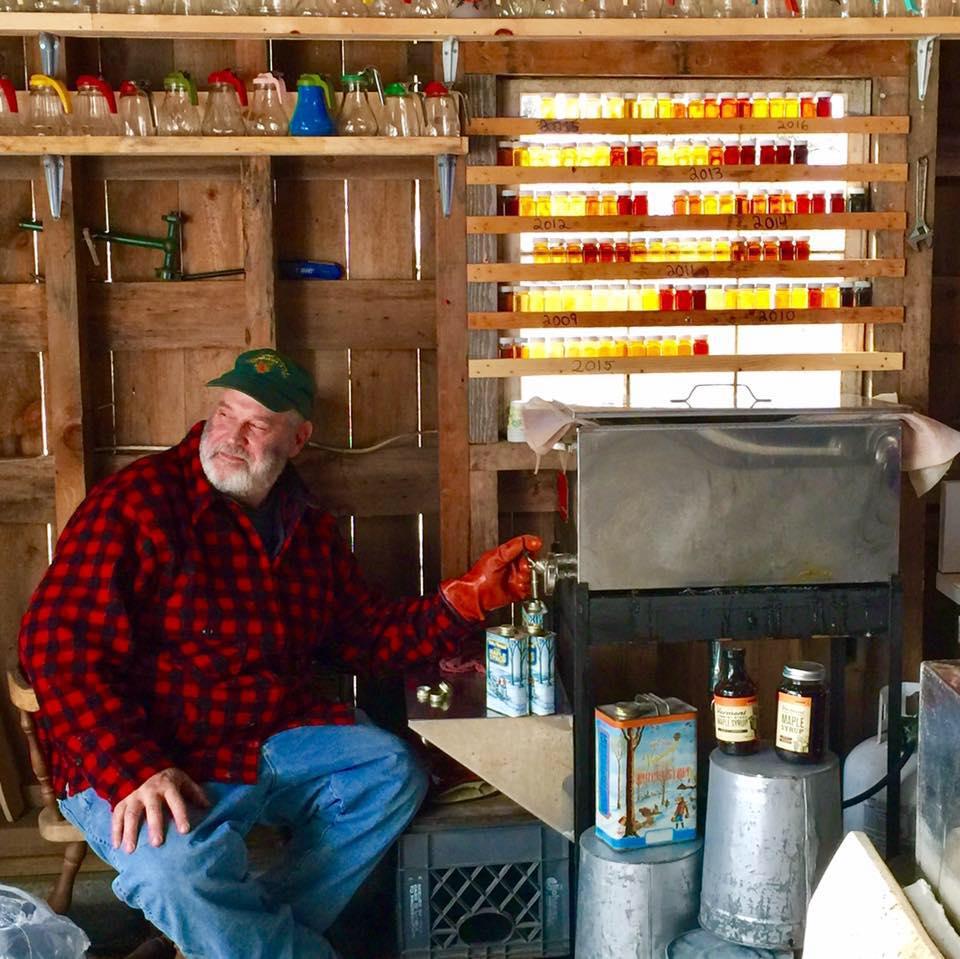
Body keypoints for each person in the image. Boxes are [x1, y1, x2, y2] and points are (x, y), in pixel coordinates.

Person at [19, 348, 541, 959]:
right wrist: (133, 767)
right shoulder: (136, 505)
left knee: (390, 774)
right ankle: (248, 939)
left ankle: (224, 935)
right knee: (173, 875)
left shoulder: (308, 530)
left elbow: (364, 635)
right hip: (152, 753)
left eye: (256, 424)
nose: (230, 436)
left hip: (266, 734)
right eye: (224, 413)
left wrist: (463, 603)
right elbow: (54, 649)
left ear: (298, 439)